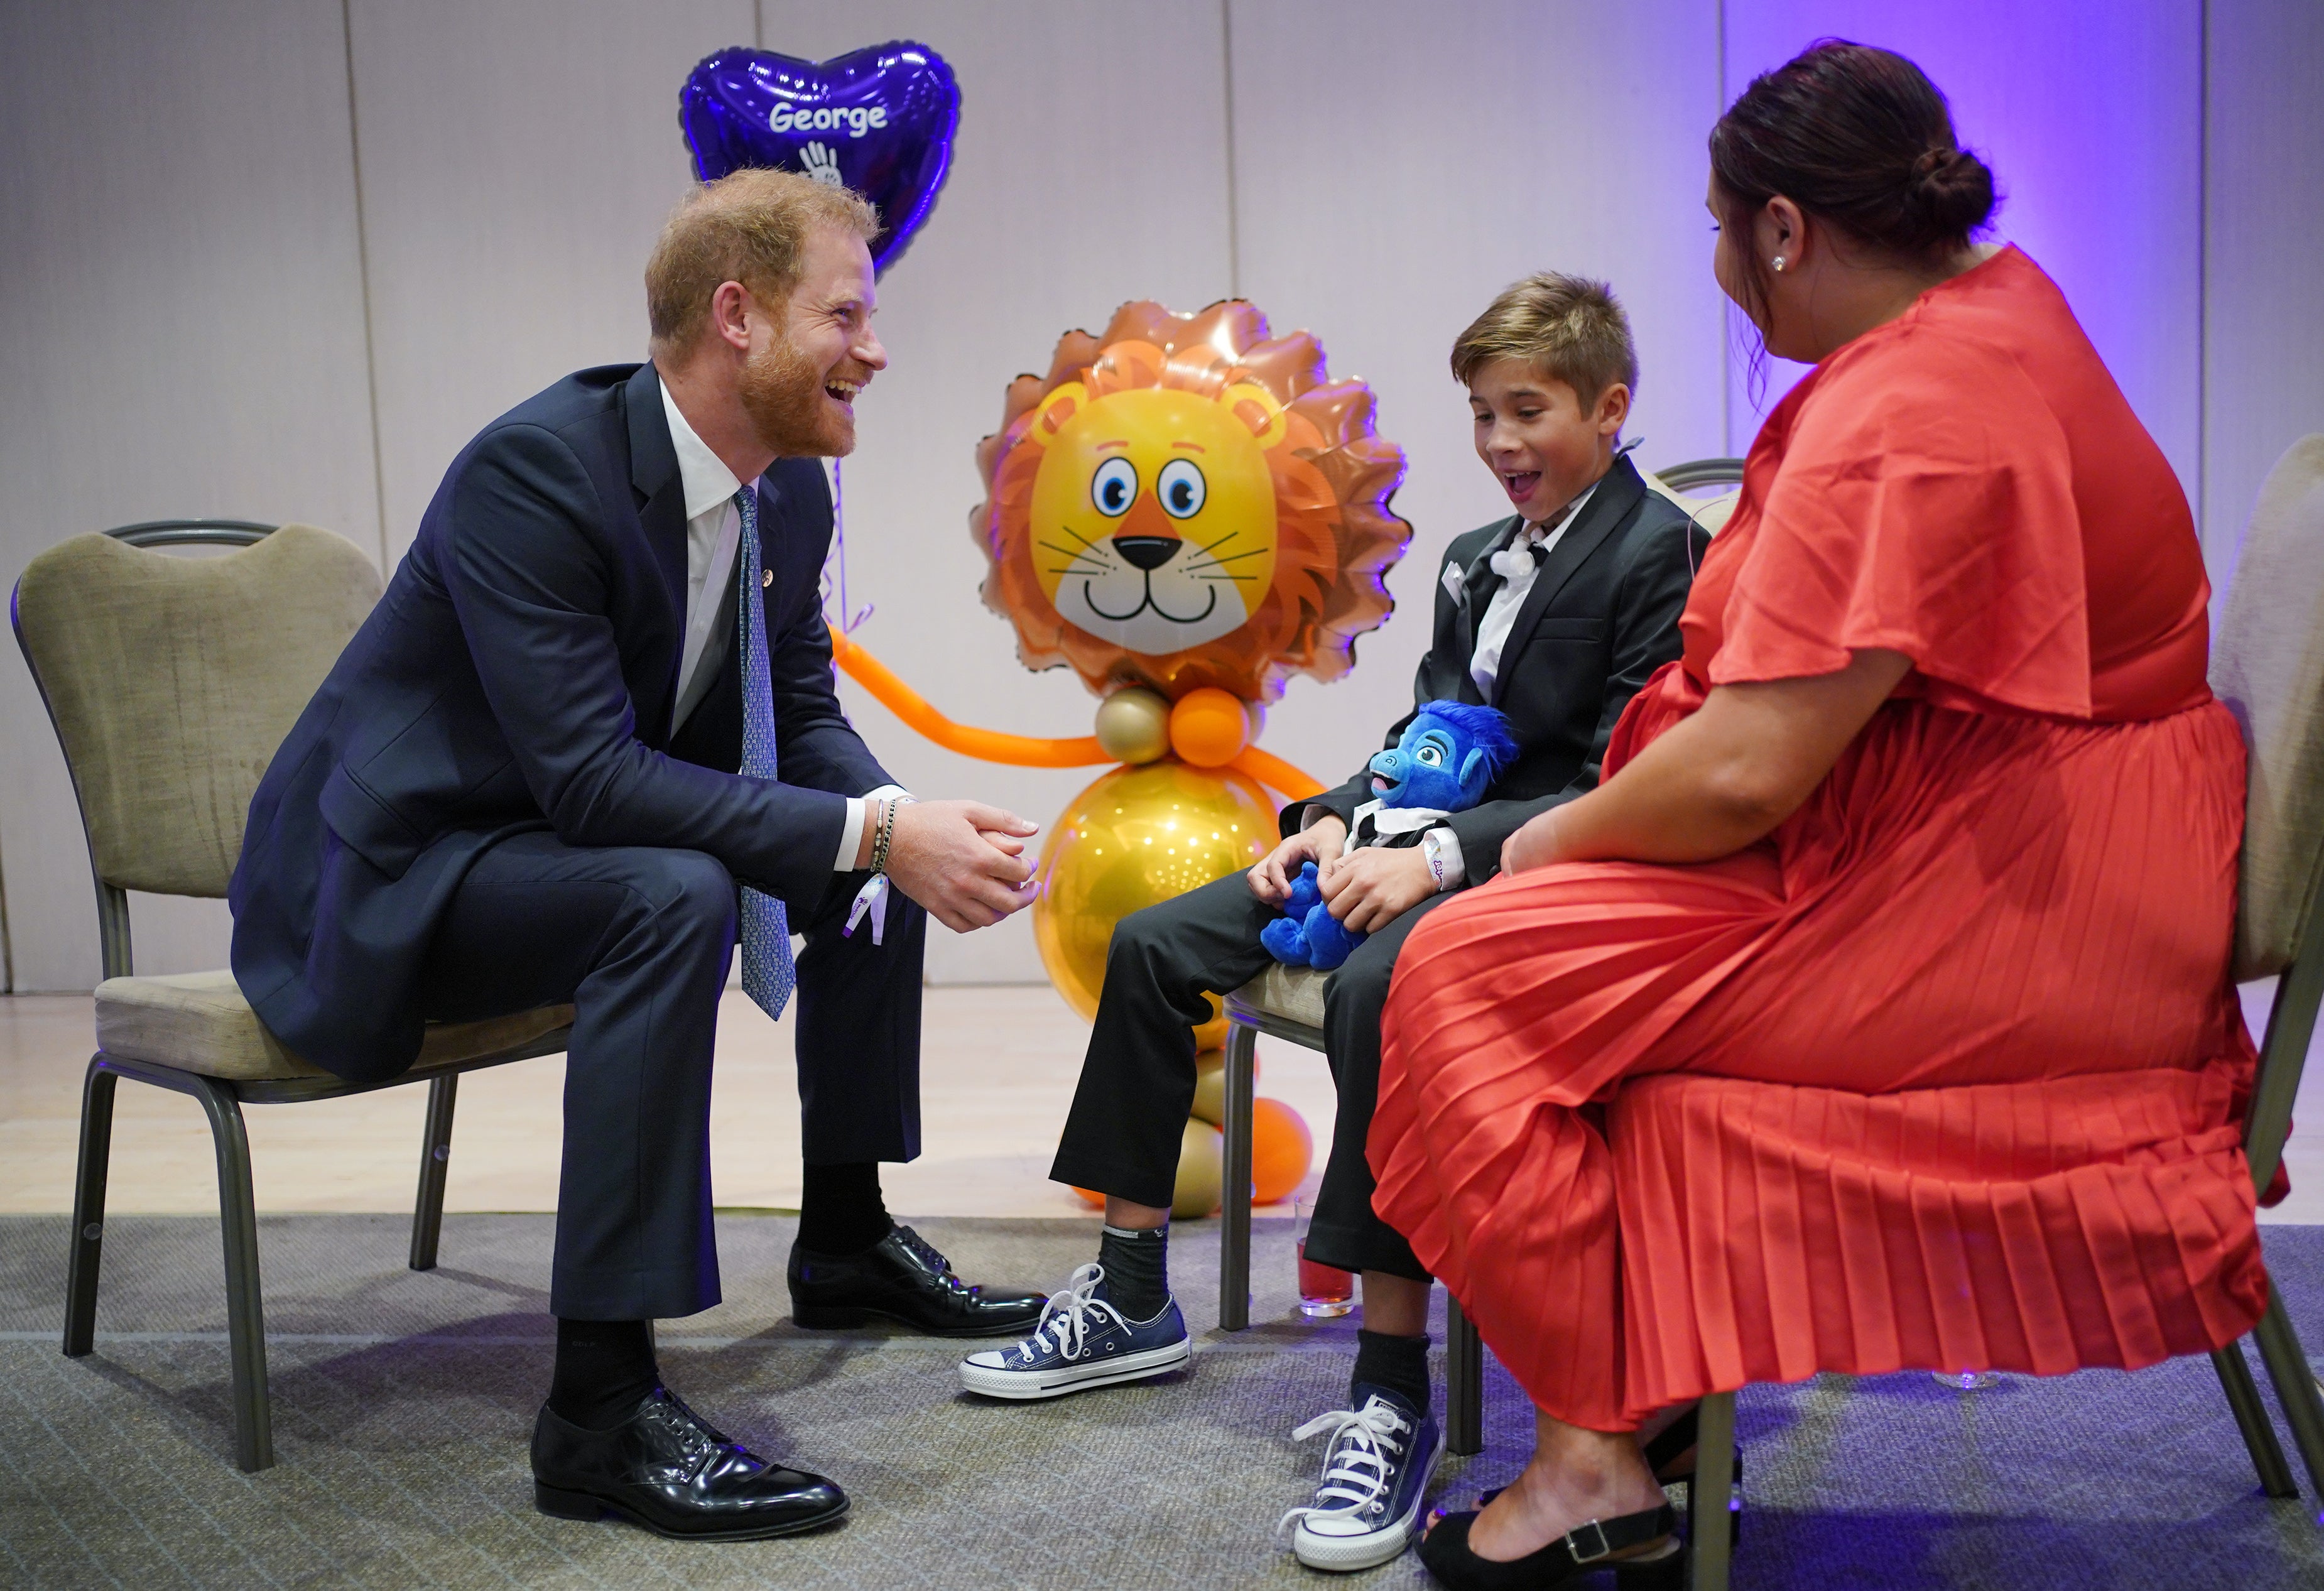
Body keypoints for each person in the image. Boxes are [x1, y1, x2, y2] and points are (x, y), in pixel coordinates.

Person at [1370, 43, 2272, 1589]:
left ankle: (1593, 1451)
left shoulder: (1914, 403)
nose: (1717, 268)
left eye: (1720, 231)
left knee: (1463, 966)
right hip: (2011, 846)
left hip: (2008, 900)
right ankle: (1621, 1409)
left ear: (1782, 229)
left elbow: (1743, 773)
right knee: (1512, 951)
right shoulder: (1990, 310)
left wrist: (1526, 844)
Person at [229, 169, 1053, 1541]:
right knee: (676, 893)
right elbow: (591, 777)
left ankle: (844, 1237)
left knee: (870, 842)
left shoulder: (788, 495)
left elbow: (793, 719)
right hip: (389, 878)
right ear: (737, 316)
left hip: (540, 843)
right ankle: (598, 1409)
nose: (878, 346)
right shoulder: (536, 471)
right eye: (845, 312)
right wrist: (873, 829)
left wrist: (902, 825)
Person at [960, 274, 1707, 1573]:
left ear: (1610, 405)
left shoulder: (1663, 553)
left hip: (1535, 876)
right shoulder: (1474, 560)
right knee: (1150, 945)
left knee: (1372, 991)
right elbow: (1423, 738)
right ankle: (1130, 1297)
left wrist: (1430, 857)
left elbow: (1614, 778)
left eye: (1525, 412)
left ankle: (1388, 1386)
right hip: (1404, 847)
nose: (1498, 444)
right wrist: (1326, 817)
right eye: (1480, 415)